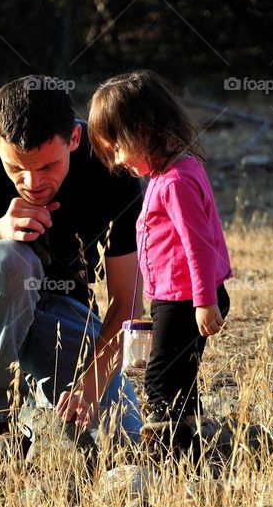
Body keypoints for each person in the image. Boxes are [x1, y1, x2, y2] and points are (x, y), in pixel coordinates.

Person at [0, 74, 145, 447]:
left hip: (61, 310)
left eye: (48, 167)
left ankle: (41, 409)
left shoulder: (110, 167)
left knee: (120, 437)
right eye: (17, 168)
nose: (32, 181)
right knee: (11, 259)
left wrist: (90, 385)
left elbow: (128, 303)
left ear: (74, 138)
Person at [87, 70, 232, 439]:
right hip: (175, 296)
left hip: (187, 299)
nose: (116, 160)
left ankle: (165, 452)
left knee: (161, 378)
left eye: (117, 147)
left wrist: (205, 301)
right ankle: (192, 445)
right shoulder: (165, 175)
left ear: (143, 129)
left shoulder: (177, 181)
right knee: (179, 374)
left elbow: (198, 245)